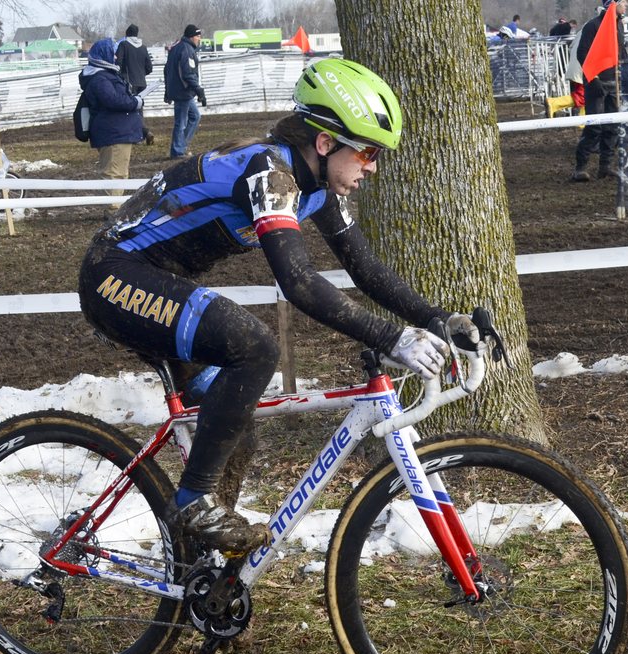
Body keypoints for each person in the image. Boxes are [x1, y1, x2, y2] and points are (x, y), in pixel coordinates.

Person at [77, 58, 472, 556]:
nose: (372, 166)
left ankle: (204, 576)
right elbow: (299, 283)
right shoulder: (271, 173)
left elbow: (366, 271)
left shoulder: (316, 187)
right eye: (367, 151)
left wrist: (437, 319)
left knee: (233, 428)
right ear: (325, 143)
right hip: (114, 276)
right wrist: (391, 337)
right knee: (255, 346)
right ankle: (193, 502)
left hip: (159, 282)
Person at [79, 38, 145, 210]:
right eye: (113, 53)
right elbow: (112, 100)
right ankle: (112, 209)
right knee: (113, 174)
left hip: (117, 131)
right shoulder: (100, 78)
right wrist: (134, 102)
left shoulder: (103, 75)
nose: (116, 57)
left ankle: (114, 207)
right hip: (113, 133)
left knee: (119, 173)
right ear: (104, 55)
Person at [569, 0, 628, 182]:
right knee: (594, 126)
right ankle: (580, 168)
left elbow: (621, 53)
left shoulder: (618, 25)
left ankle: (605, 166)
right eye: (623, 2)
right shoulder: (593, 26)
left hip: (614, 83)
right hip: (597, 84)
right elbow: (582, 53)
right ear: (613, 4)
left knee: (612, 126)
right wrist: (593, 79)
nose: (626, 5)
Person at [164, 23, 206, 158]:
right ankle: (178, 151)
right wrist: (198, 89)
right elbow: (188, 74)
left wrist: (168, 90)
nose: (199, 39)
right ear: (191, 36)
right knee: (181, 122)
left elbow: (167, 71)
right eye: (198, 36)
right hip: (183, 91)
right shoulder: (186, 50)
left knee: (194, 117)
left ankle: (180, 146)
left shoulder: (177, 47)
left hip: (179, 90)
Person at [115, 23, 154, 146]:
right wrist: (141, 75)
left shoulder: (123, 45)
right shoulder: (143, 47)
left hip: (128, 83)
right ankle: (141, 135)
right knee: (139, 109)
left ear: (126, 34)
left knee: (129, 110)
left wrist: (121, 77)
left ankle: (141, 134)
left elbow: (118, 64)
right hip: (142, 83)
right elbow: (149, 67)